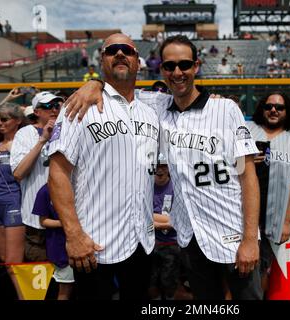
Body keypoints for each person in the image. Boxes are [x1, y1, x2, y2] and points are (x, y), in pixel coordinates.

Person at [63, 34, 263, 300]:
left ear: (197, 66)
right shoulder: (156, 107)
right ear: (162, 70)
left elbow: (248, 175)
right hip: (191, 238)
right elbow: (120, 88)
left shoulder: (225, 109)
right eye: (170, 66)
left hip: (232, 233)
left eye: (184, 65)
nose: (177, 72)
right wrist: (94, 84)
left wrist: (250, 239)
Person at [48, 33, 159, 300]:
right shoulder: (80, 104)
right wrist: (73, 234)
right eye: (112, 50)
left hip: (142, 241)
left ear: (138, 61)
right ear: (102, 59)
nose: (120, 54)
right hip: (94, 242)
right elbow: (58, 172)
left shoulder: (151, 110)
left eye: (127, 50)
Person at [247, 92, 290, 297]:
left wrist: (286, 222)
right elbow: (228, 167)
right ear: (261, 108)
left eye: (279, 107)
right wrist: (245, 162)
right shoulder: (247, 130)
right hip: (241, 212)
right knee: (236, 266)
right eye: (269, 106)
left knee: (263, 264)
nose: (273, 110)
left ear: (287, 111)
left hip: (272, 216)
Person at [10, 91, 63, 263]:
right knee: (43, 281)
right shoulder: (25, 133)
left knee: (69, 277)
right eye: (47, 106)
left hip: (66, 216)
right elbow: (18, 173)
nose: (54, 110)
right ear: (37, 111)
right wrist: (42, 141)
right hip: (37, 223)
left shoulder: (70, 131)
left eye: (57, 105)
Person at [0, 103, 26, 299]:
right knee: (4, 261)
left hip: (13, 204)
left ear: (17, 121)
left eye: (4, 119)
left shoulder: (24, 143)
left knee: (13, 263)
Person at [32, 184, 74, 300]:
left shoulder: (80, 185)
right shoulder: (45, 191)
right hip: (61, 248)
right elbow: (43, 221)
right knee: (65, 289)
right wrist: (67, 223)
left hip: (87, 244)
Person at [149, 156, 180, 300]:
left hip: (172, 245)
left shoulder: (176, 187)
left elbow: (179, 219)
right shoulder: (146, 187)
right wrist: (166, 222)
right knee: (151, 284)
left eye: (164, 166)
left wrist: (152, 221)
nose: (160, 169)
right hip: (151, 244)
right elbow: (141, 215)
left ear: (169, 168)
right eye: (157, 166)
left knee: (169, 285)